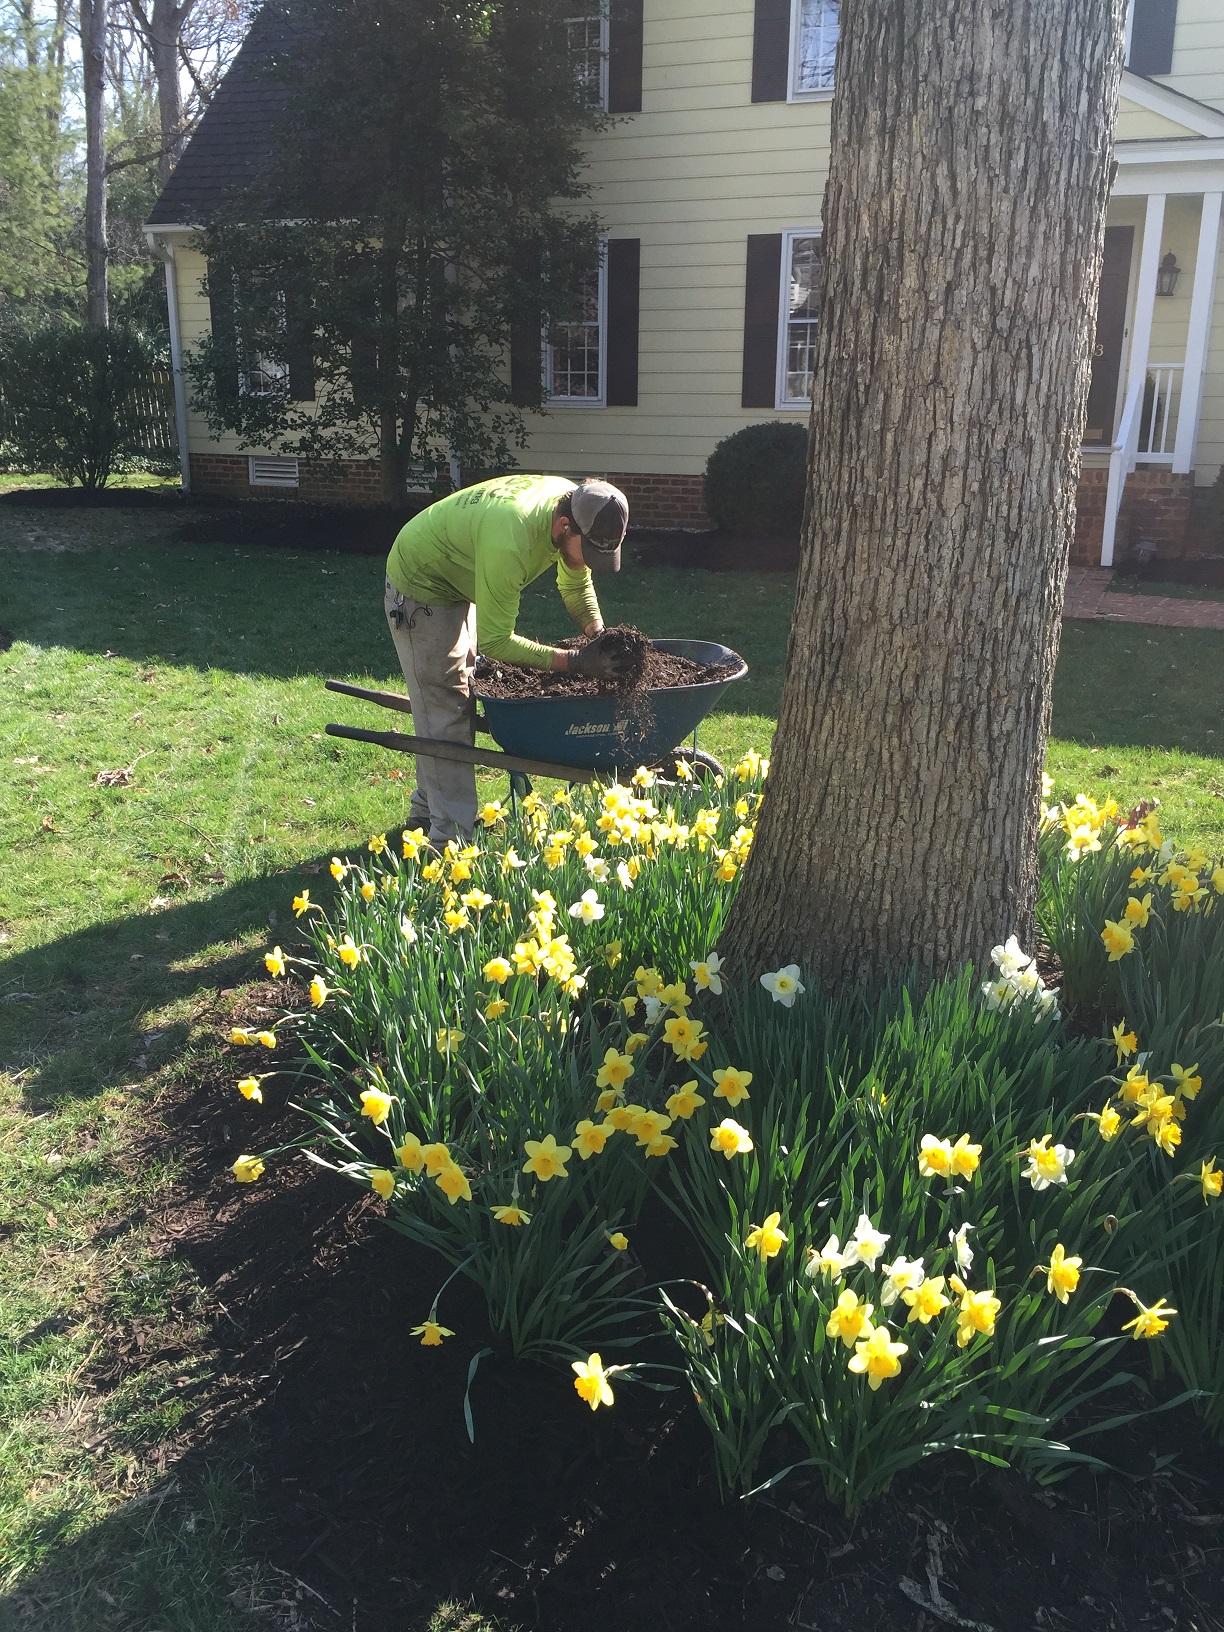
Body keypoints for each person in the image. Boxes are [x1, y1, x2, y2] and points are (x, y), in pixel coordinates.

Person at [384, 472, 633, 845]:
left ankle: (425, 809)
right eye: (592, 551)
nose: (594, 563)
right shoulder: (512, 540)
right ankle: (448, 843)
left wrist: (598, 635)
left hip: (459, 568)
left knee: (448, 700)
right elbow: (497, 642)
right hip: (422, 584)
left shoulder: (575, 505)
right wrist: (577, 661)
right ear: (565, 526)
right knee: (445, 706)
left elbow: (575, 580)